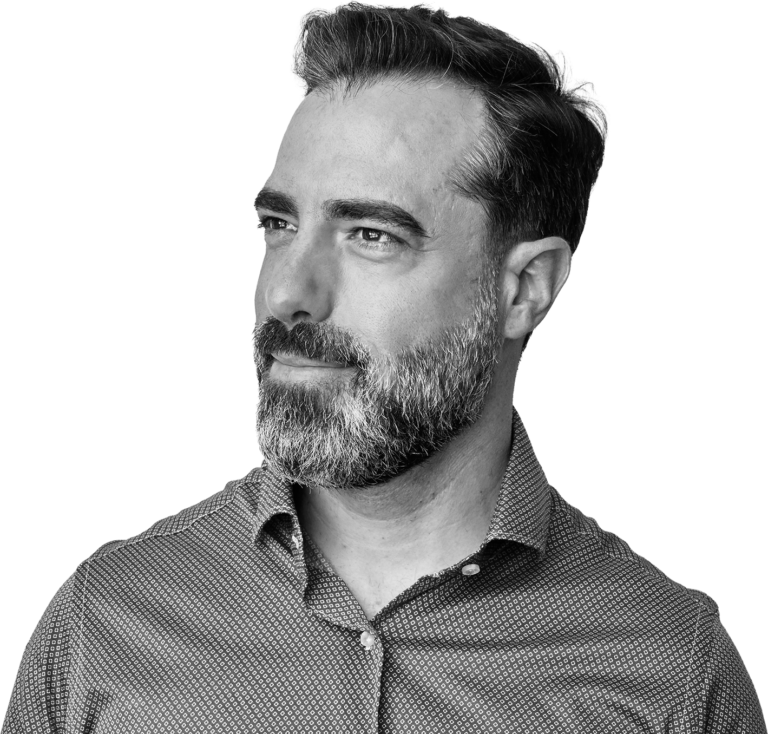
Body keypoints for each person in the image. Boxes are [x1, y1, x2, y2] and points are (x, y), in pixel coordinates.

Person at [4, 3, 764, 732]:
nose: (288, 295)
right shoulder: (102, 625)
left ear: (524, 289)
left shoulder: (670, 670)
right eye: (279, 224)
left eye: (372, 235)